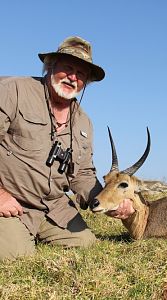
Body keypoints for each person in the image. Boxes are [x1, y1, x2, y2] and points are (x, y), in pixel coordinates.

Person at [0, 36, 135, 260]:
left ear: (86, 82)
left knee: (87, 246)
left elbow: (82, 174)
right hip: (11, 200)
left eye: (81, 74)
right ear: (51, 65)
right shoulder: (13, 90)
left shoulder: (84, 122)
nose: (73, 77)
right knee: (17, 256)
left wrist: (109, 201)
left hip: (52, 207)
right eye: (68, 68)